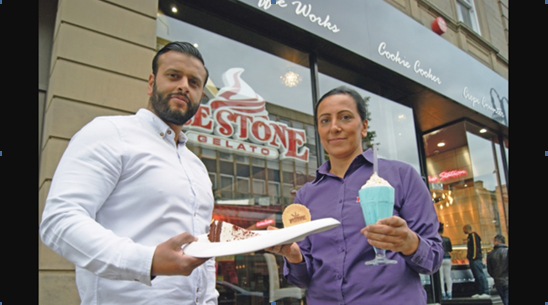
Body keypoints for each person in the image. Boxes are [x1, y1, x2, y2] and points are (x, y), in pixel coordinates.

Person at [39, 42, 219, 304]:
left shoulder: (196, 166)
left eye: (193, 82)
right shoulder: (110, 133)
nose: (183, 85)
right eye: (173, 75)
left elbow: (204, 253)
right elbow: (60, 220)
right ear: (151, 83)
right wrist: (147, 262)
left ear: (200, 96)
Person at [266, 86, 443, 304]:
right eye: (324, 120)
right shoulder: (306, 195)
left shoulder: (401, 176)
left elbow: (433, 259)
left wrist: (410, 242)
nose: (334, 127)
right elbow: (301, 280)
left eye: (345, 117)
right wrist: (294, 256)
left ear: (364, 126)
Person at [463, 224, 490, 299]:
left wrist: (473, 257)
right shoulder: (469, 236)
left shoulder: (473, 235)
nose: (463, 231)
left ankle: (485, 291)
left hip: (475, 259)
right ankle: (480, 291)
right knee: (476, 275)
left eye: (464, 229)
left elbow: (475, 246)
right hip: (473, 259)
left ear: (467, 228)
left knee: (480, 275)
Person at [487, 234, 508, 305]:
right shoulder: (507, 251)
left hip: (498, 281)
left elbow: (489, 270)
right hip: (507, 281)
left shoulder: (490, 254)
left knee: (504, 299)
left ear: (496, 241)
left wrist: (495, 276)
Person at [438, 223, 453, 300]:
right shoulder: (447, 239)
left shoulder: (436, 239)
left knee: (440, 277)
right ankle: (449, 293)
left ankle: (443, 293)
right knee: (448, 276)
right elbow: (450, 250)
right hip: (447, 258)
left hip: (440, 259)